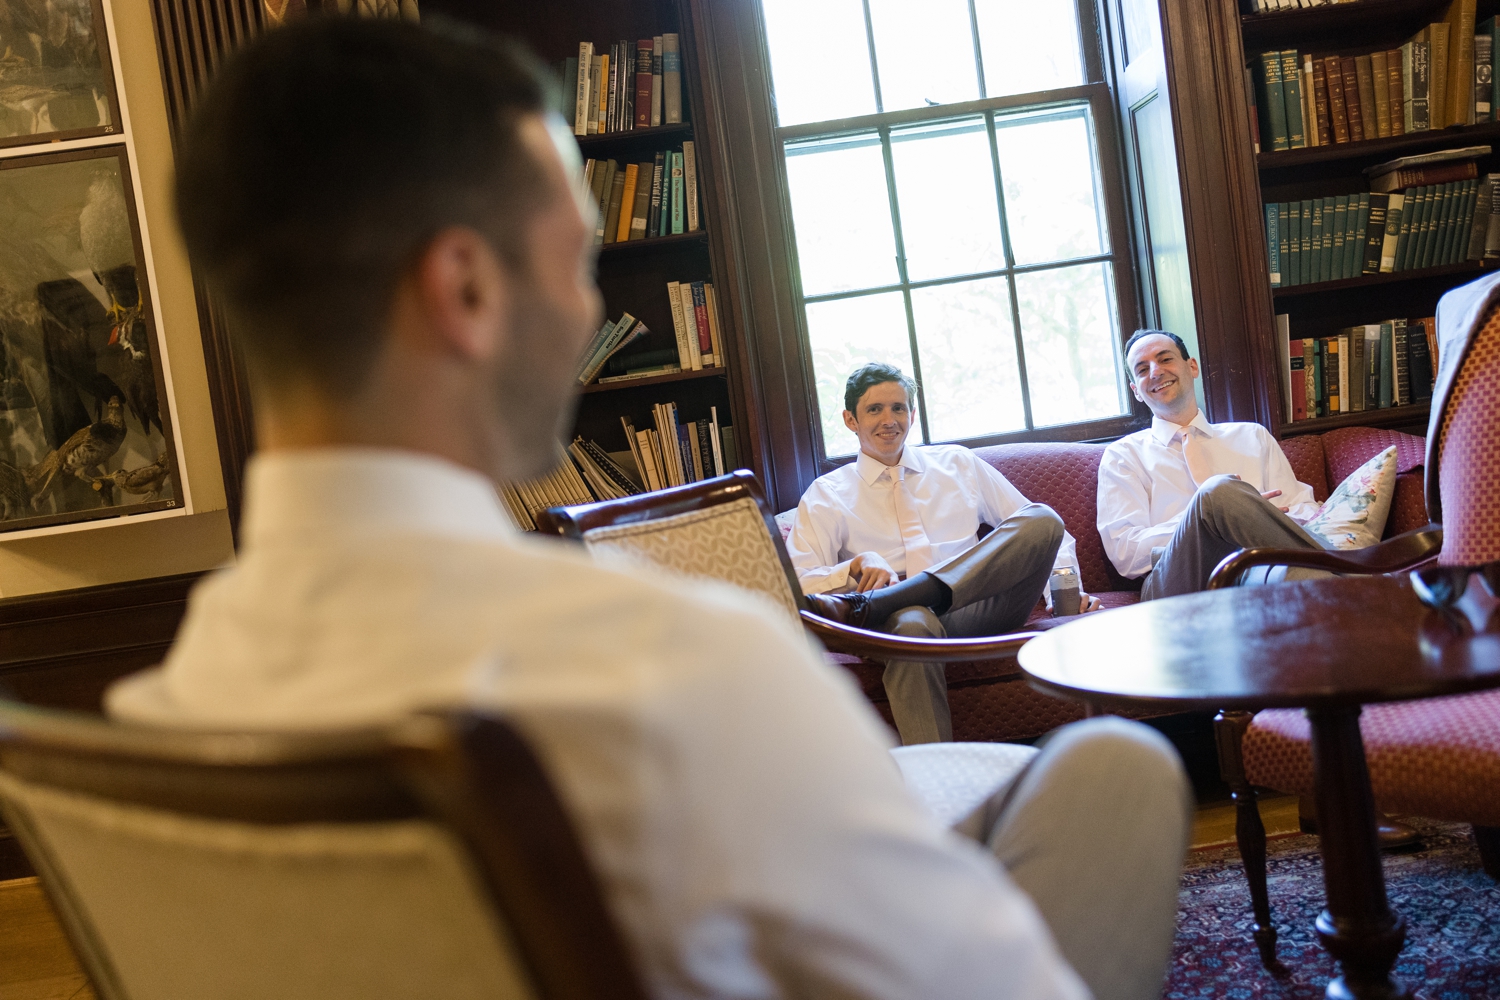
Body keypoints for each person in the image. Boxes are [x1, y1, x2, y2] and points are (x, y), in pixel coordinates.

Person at [107, 19, 1190, 1000]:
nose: (588, 309)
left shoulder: (157, 734)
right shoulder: (675, 664)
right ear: (467, 290)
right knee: (1123, 773)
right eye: (576, 258)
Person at [787, 364, 1100, 745]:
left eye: (899, 408)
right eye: (875, 410)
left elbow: (1049, 536)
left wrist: (1065, 594)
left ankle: (902, 596)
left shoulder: (958, 463)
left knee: (1042, 518)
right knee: (912, 620)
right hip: (897, 626)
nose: (890, 420)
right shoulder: (827, 494)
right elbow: (794, 583)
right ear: (850, 419)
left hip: (983, 607)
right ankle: (938, 784)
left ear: (913, 415)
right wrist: (854, 566)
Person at [1096, 330, 1324, 600]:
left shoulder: (1252, 436)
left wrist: (1250, 517)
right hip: (1174, 582)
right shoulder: (1123, 455)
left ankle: (1344, 592)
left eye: (1165, 359)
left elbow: (1303, 510)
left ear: (1192, 367)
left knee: (1287, 576)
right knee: (1219, 492)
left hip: (1256, 568)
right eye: (1143, 369)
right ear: (1136, 390)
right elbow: (1125, 553)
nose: (1155, 372)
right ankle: (1355, 577)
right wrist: (1211, 517)